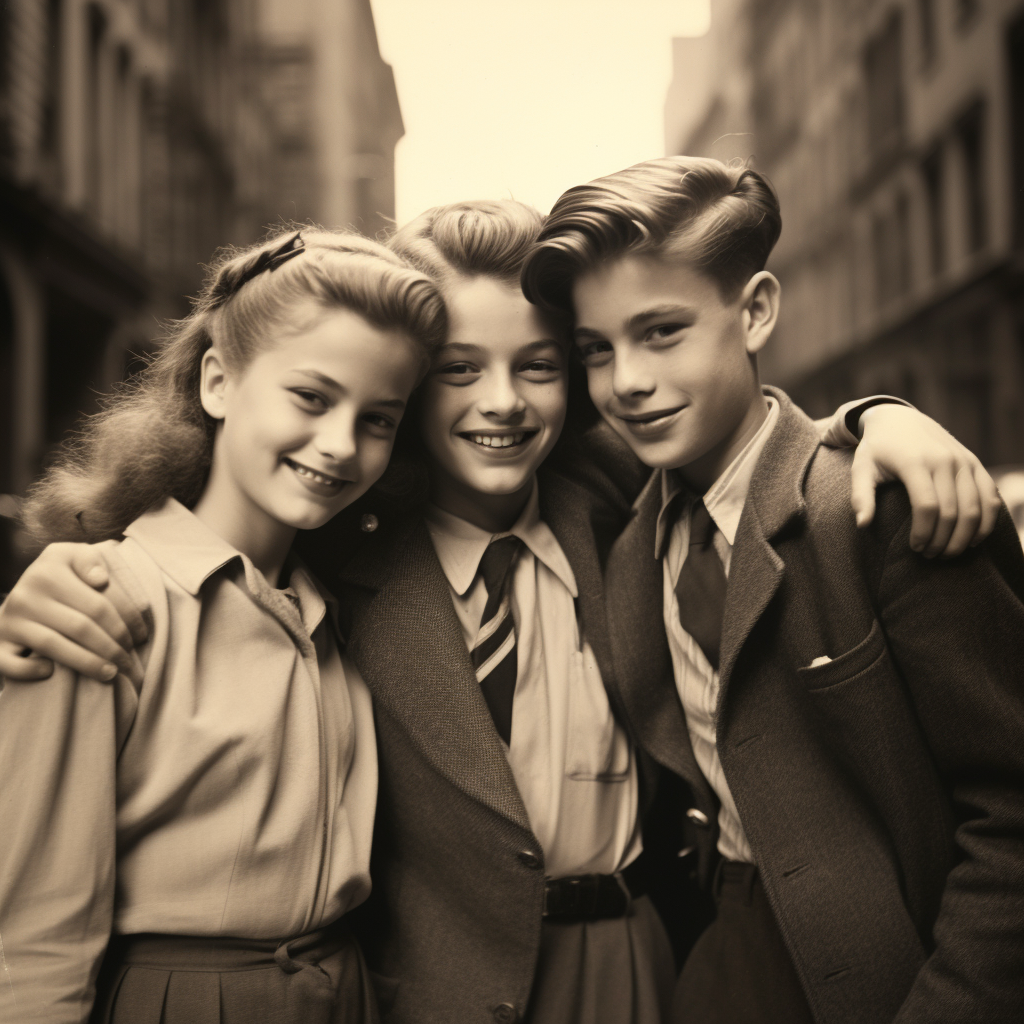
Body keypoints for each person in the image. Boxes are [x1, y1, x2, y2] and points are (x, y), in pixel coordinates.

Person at [0, 199, 1004, 1024]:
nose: (502, 404)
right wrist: (58, 577)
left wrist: (875, 421)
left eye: (538, 365)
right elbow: (211, 529)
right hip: (422, 994)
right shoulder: (335, 561)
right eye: (455, 371)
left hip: (646, 970)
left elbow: (741, 449)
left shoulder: (616, 516)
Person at [520, 156, 1024, 1023]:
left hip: (911, 973)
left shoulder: (879, 504)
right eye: (595, 352)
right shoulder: (628, 543)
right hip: (724, 956)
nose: (626, 382)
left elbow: (1012, 810)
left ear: (754, 311)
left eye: (662, 332)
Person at [0, 229, 446, 1023]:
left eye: (379, 419)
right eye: (310, 397)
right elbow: (34, 938)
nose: (341, 445)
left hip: (346, 994)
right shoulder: (101, 603)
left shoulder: (336, 605)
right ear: (216, 381)